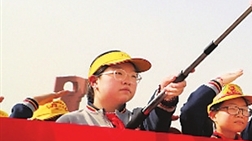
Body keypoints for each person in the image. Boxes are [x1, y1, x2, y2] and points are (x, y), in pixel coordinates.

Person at [57, 50, 186, 131]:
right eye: (118, 73)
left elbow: (156, 121)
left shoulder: (140, 122)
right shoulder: (70, 122)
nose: (128, 81)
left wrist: (165, 95)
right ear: (94, 81)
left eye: (133, 76)